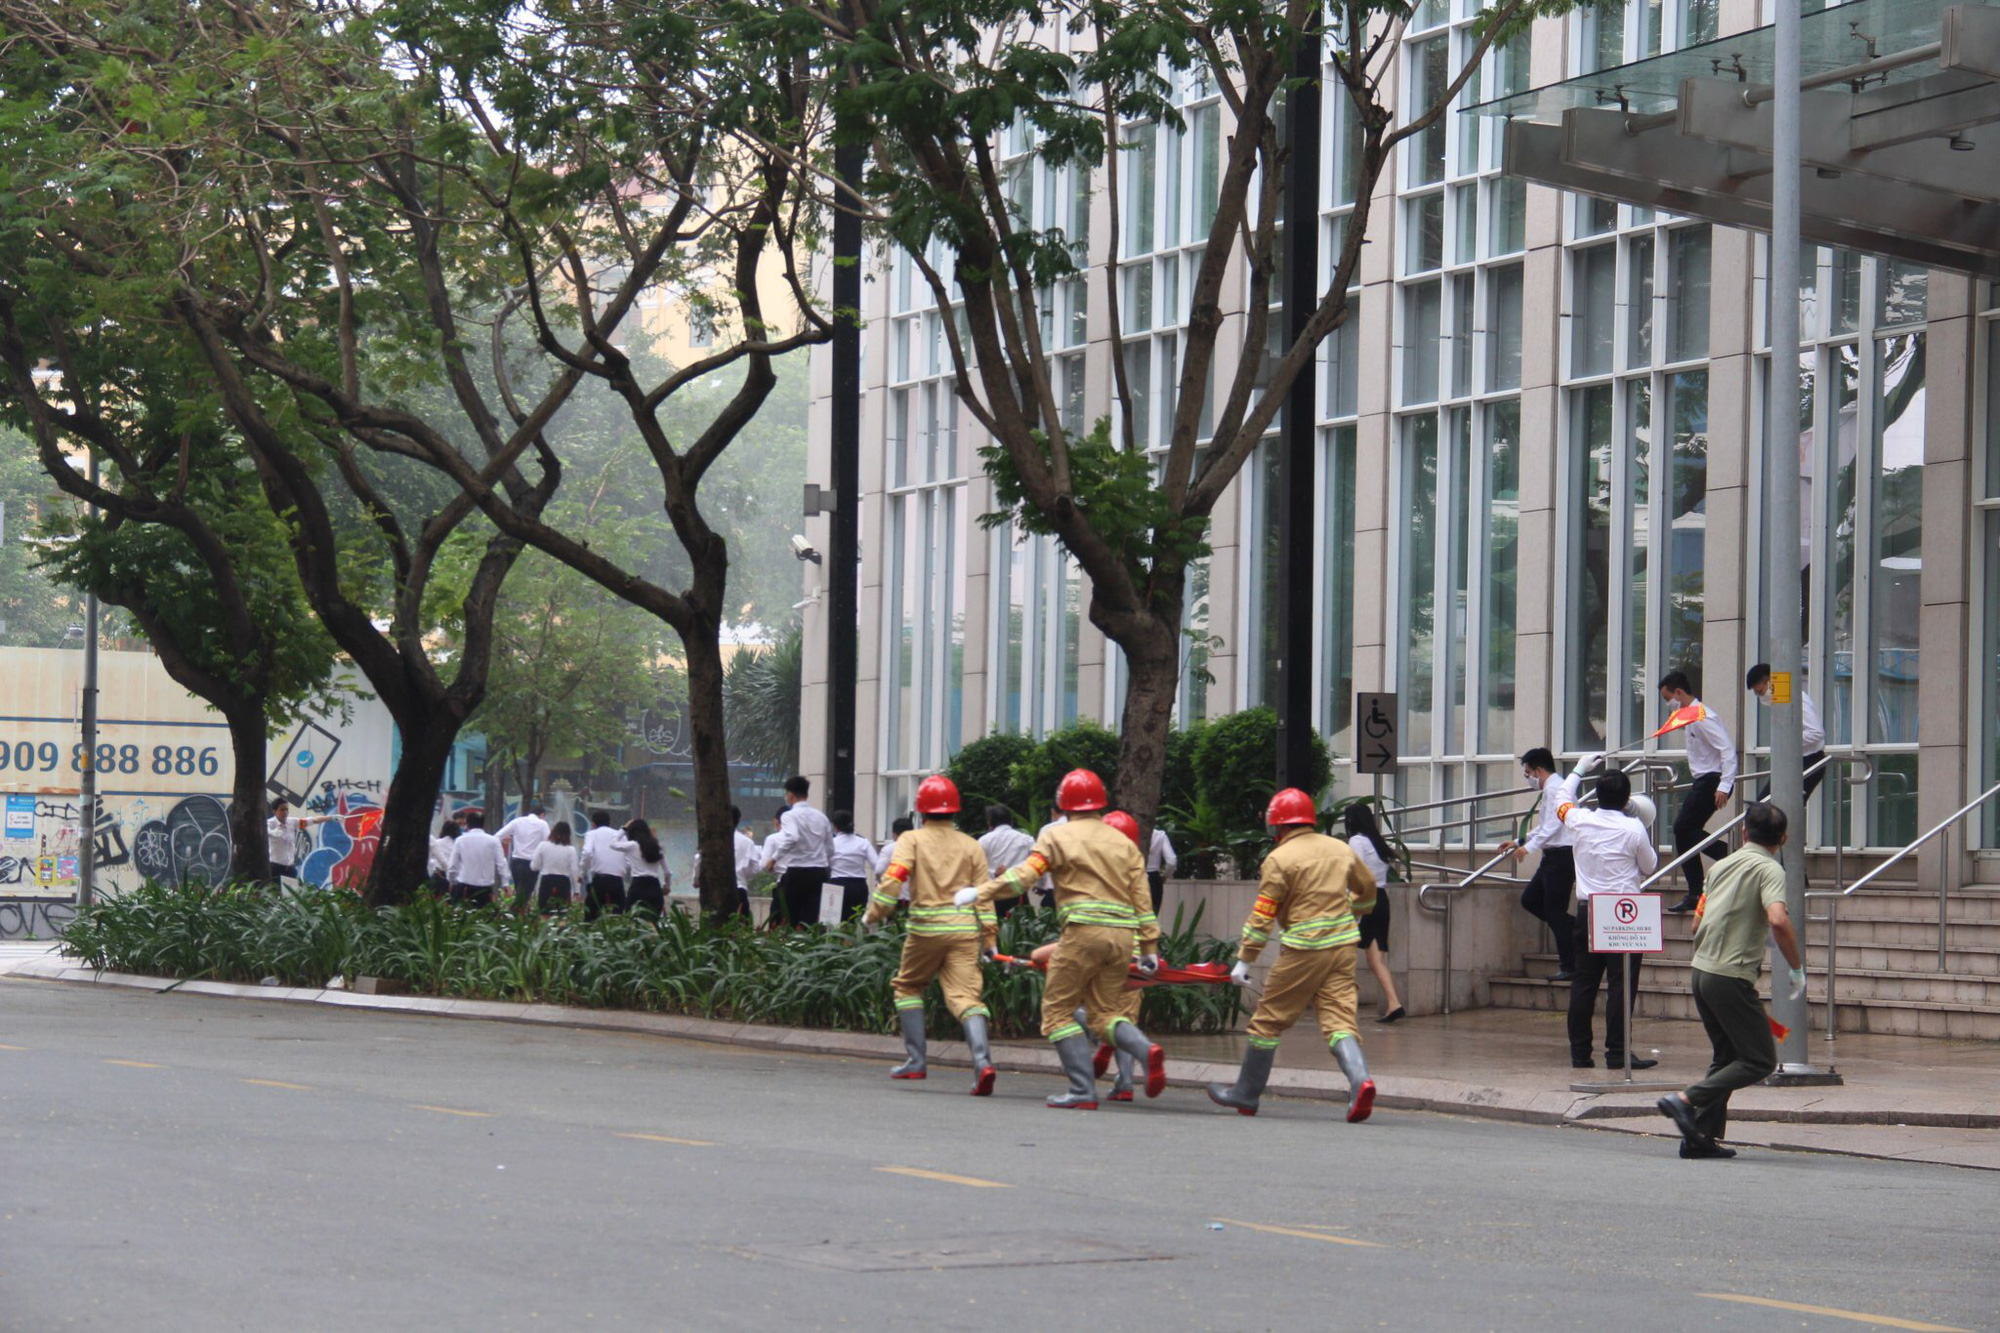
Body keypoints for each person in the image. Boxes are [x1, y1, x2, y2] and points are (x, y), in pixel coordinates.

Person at [959, 769, 1165, 1110]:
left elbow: (1023, 878)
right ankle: (1146, 1050)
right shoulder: (1124, 844)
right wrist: (1150, 948)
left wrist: (980, 892)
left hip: (1083, 933)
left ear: (1062, 804)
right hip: (1122, 938)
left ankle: (1083, 1090)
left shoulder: (1056, 837)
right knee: (1103, 1014)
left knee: (1056, 1013)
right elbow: (1143, 901)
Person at [1207, 788, 1379, 1122]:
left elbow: (1263, 915)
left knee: (1268, 1021)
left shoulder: (1278, 860)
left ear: (1278, 827)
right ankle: (1361, 1081)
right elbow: (1368, 887)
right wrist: (1357, 911)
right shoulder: (1339, 849)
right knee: (1340, 1020)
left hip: (1303, 949)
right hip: (1343, 946)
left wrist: (1245, 958)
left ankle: (1246, 1092)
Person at [1657, 802, 1806, 1160]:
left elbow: (1696, 922)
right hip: (1731, 976)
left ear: (1743, 833)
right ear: (1783, 838)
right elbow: (1778, 920)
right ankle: (1684, 1099)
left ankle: (1700, 1137)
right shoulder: (1770, 869)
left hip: (1702, 971)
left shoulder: (1720, 866)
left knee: (1726, 1056)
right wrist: (1797, 967)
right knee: (1759, 1060)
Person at [863, 775, 998, 1095]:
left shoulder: (911, 840)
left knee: (908, 986)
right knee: (967, 998)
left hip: (926, 929)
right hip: (965, 931)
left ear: (920, 812)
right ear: (955, 810)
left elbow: (895, 879)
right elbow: (984, 895)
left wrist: (876, 912)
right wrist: (990, 939)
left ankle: (916, 1060)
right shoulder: (972, 845)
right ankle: (983, 1062)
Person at [1554, 758, 1659, 1071]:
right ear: (1628, 800)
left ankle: (1580, 1053)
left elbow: (1561, 799)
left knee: (1584, 983)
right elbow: (1650, 865)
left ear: (1597, 796)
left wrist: (1579, 769)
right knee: (1621, 984)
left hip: (1589, 909)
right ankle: (1616, 1052)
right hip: (1626, 913)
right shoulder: (1633, 827)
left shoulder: (1579, 820)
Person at [1659, 670, 1737, 914]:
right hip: (1703, 780)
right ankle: (1697, 890)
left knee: (1683, 828)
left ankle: (1727, 858)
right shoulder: (1690, 716)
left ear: (1679, 693)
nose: (1668, 704)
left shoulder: (1704, 717)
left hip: (1712, 781)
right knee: (1685, 831)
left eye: (1667, 698)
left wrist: (1724, 785)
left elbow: (1727, 750)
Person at [1501, 747, 1580, 983]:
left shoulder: (1557, 788)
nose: (1528, 778)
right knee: (1530, 900)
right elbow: (1544, 825)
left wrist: (1528, 848)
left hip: (1562, 856)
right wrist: (1519, 840)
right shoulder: (1552, 788)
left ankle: (1570, 964)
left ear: (1538, 770)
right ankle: (1574, 927)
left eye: (1528, 773)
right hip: (1551, 857)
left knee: (1555, 913)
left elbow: (1555, 824)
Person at [1342, 803, 1406, 1023]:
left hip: (1364, 900)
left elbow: (1353, 870)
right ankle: (1394, 1003)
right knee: (1376, 959)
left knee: (1342, 951)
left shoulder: (1357, 842)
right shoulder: (1377, 842)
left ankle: (1342, 1004)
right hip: (1381, 899)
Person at [1746, 663, 1828, 803]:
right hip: (1791, 760)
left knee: (1773, 807)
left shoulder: (1797, 698)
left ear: (1770, 682)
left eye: (1760, 691)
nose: (1760, 696)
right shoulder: (1780, 703)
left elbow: (1816, 732)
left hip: (1808, 759)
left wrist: (1785, 741)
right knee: (1765, 806)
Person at [770, 775, 833, 929]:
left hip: (797, 872)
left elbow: (792, 837)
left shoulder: (789, 816)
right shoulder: (821, 817)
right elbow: (830, 848)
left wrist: (774, 858)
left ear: (790, 795)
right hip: (819, 872)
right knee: (812, 918)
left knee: (789, 917)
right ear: (807, 794)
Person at [977, 805, 1034, 920]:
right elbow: (1035, 866)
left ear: (990, 823)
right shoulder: (1027, 840)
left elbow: (977, 869)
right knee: (1022, 931)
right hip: (1019, 894)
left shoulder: (984, 841)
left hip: (994, 894)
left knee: (994, 931)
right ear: (1011, 821)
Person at [497, 803, 551, 913]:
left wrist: (503, 841)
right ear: (542, 814)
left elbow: (497, 836)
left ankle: (518, 916)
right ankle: (514, 918)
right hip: (531, 864)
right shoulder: (542, 824)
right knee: (524, 895)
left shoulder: (517, 821)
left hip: (515, 862)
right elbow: (549, 842)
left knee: (520, 892)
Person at [447, 811, 508, 907]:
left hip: (464, 887)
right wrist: (505, 884)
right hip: (485, 889)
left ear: (467, 824)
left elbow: (453, 865)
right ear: (483, 824)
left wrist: (452, 881)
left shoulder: (460, 840)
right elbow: (501, 863)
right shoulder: (493, 841)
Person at [828, 810, 878, 922]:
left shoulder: (832, 843)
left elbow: (824, 862)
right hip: (858, 886)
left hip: (836, 883)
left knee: (834, 922)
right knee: (855, 922)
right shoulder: (863, 842)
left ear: (835, 826)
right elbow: (876, 864)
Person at [265, 798, 329, 882]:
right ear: (274, 811)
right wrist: (274, 832)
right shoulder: (269, 823)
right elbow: (267, 831)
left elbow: (313, 820)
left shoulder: (292, 822)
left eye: (286, 809)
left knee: (290, 893)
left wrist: (330, 818)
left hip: (290, 868)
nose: (285, 812)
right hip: (275, 868)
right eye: (282, 810)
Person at [613, 818, 668, 915]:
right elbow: (667, 872)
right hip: (654, 886)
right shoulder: (657, 846)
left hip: (637, 886)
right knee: (654, 920)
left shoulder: (632, 846)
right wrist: (666, 886)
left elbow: (613, 844)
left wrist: (624, 828)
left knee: (633, 918)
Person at [580, 809, 626, 920]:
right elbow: (628, 859)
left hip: (599, 881)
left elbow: (587, 852)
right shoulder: (621, 836)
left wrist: (582, 872)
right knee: (617, 917)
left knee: (591, 916)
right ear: (609, 823)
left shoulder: (591, 834)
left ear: (593, 823)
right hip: (617, 882)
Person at [529, 821, 581, 914]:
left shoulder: (543, 845)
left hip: (547, 880)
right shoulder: (571, 850)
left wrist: (543, 865)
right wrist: (576, 891)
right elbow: (574, 871)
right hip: (563, 882)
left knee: (544, 913)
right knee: (562, 913)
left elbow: (534, 867)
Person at [1143, 822, 1178, 916]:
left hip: (1133, 877)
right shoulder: (1159, 835)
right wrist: (1165, 876)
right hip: (1153, 878)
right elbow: (1171, 861)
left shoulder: (1127, 833)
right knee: (1151, 917)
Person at [426, 820, 459, 897]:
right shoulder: (457, 844)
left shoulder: (437, 842)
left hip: (438, 875)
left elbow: (434, 860)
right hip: (454, 877)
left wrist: (434, 863)